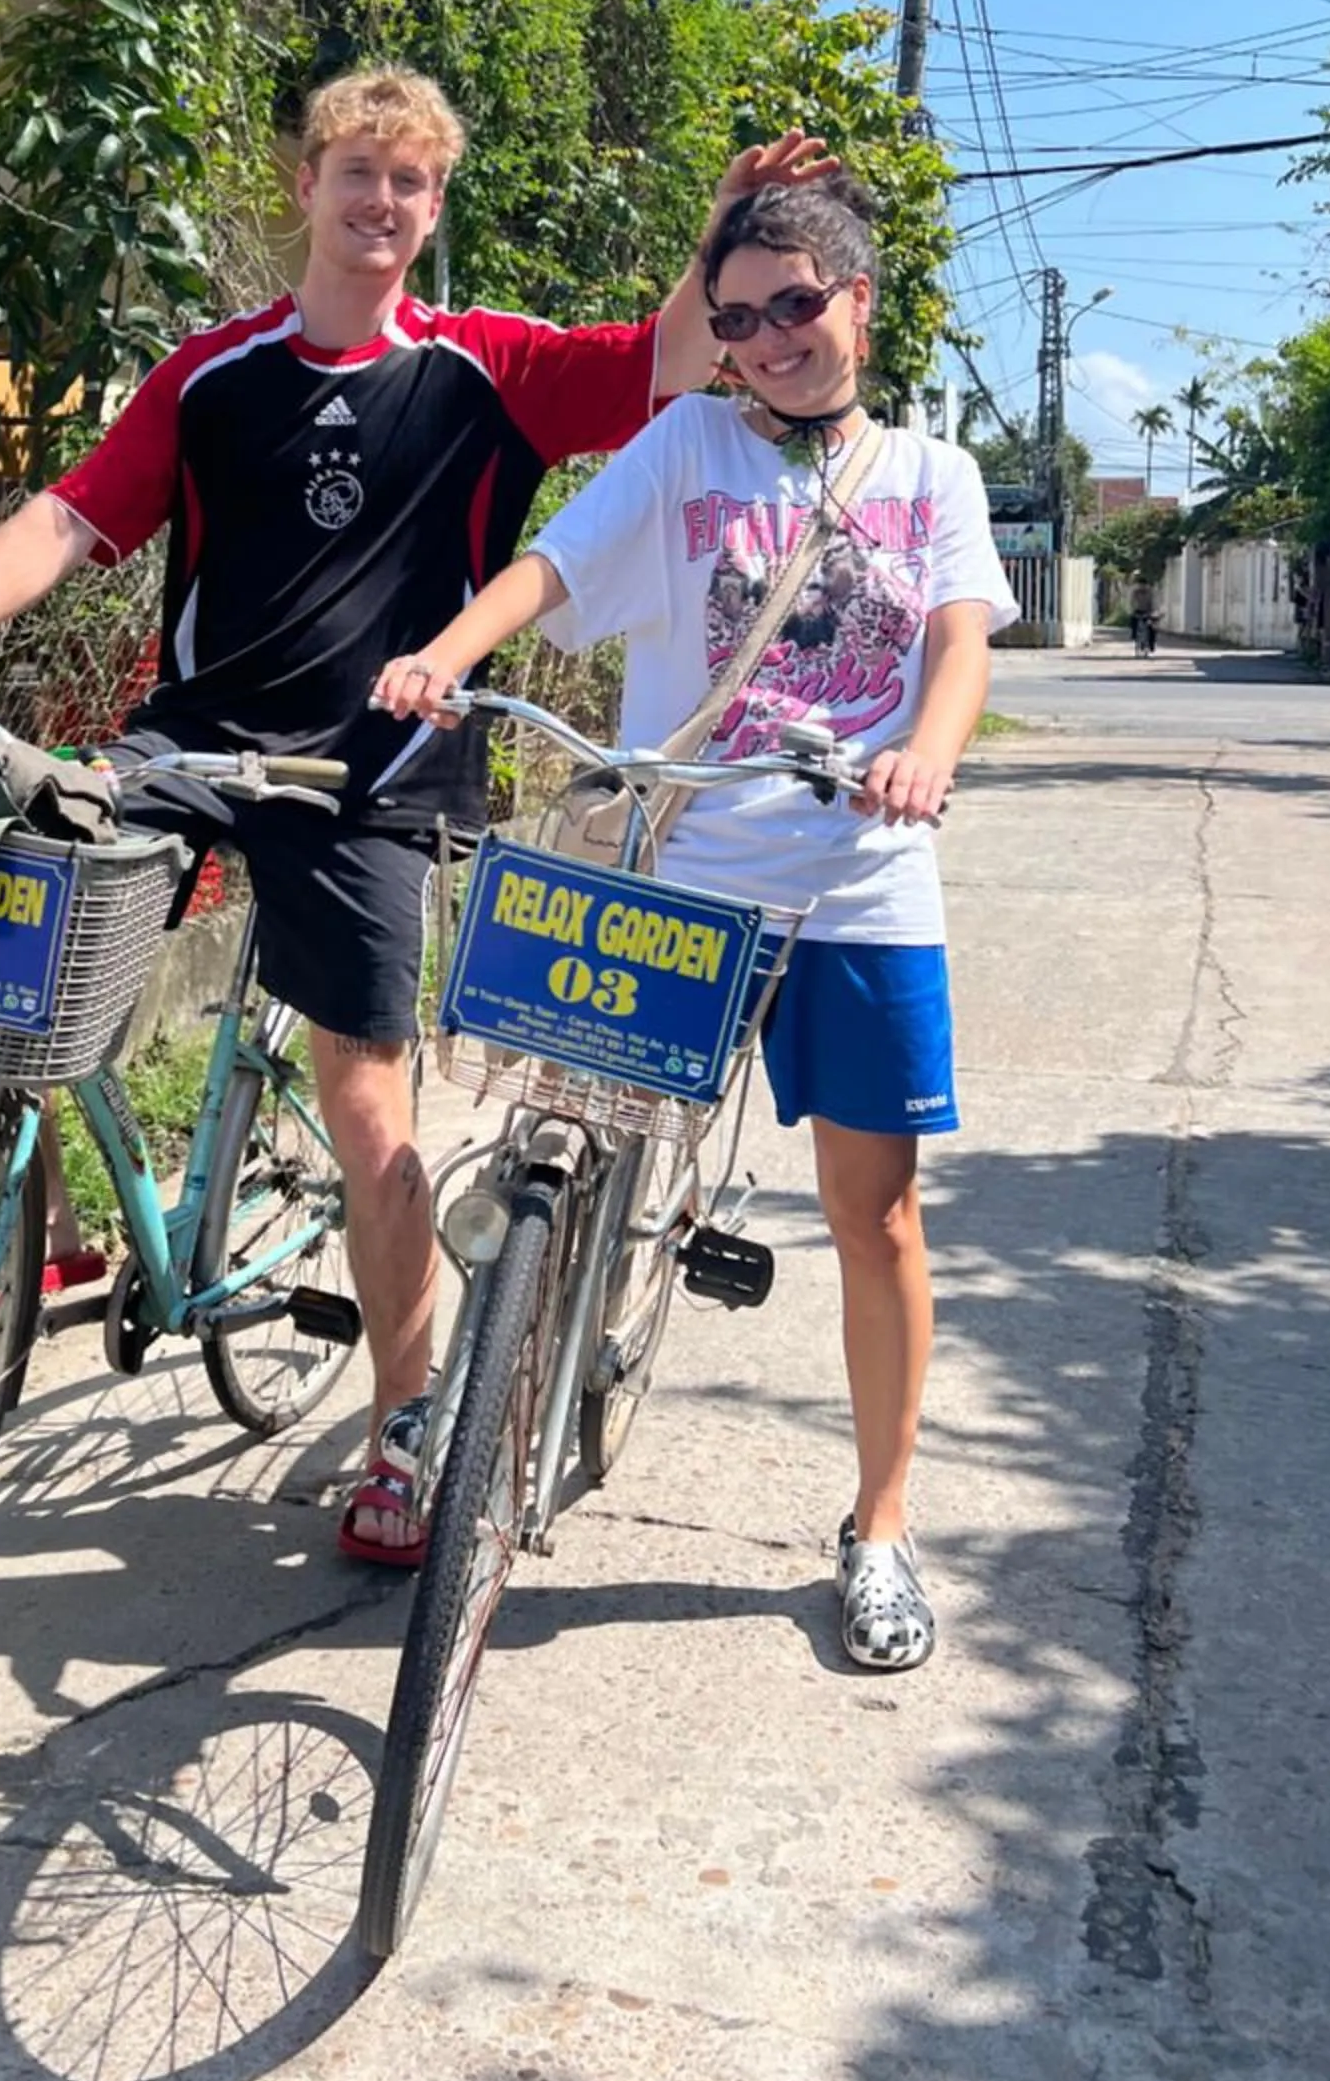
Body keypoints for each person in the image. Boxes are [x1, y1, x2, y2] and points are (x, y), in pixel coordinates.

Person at [0, 65, 831, 1564]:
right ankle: (37, 1233)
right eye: (357, 175)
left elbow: (660, 366)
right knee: (25, 951)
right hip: (188, 747)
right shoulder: (211, 371)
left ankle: (400, 1426)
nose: (382, 205)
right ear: (306, 187)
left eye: (411, 185)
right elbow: (71, 512)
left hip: (370, 773)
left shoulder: (486, 366)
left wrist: (718, 239)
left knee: (371, 1107)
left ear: (433, 212)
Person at [375, 175, 1016, 1666]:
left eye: (793, 305)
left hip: (858, 886)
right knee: (562, 1146)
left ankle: (878, 1525)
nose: (765, 342)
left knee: (876, 1214)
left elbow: (956, 643)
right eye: (734, 323)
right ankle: (488, 1418)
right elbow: (555, 566)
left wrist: (927, 752)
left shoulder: (933, 475)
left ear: (856, 300)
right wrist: (446, 649)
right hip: (680, 875)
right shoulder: (684, 445)